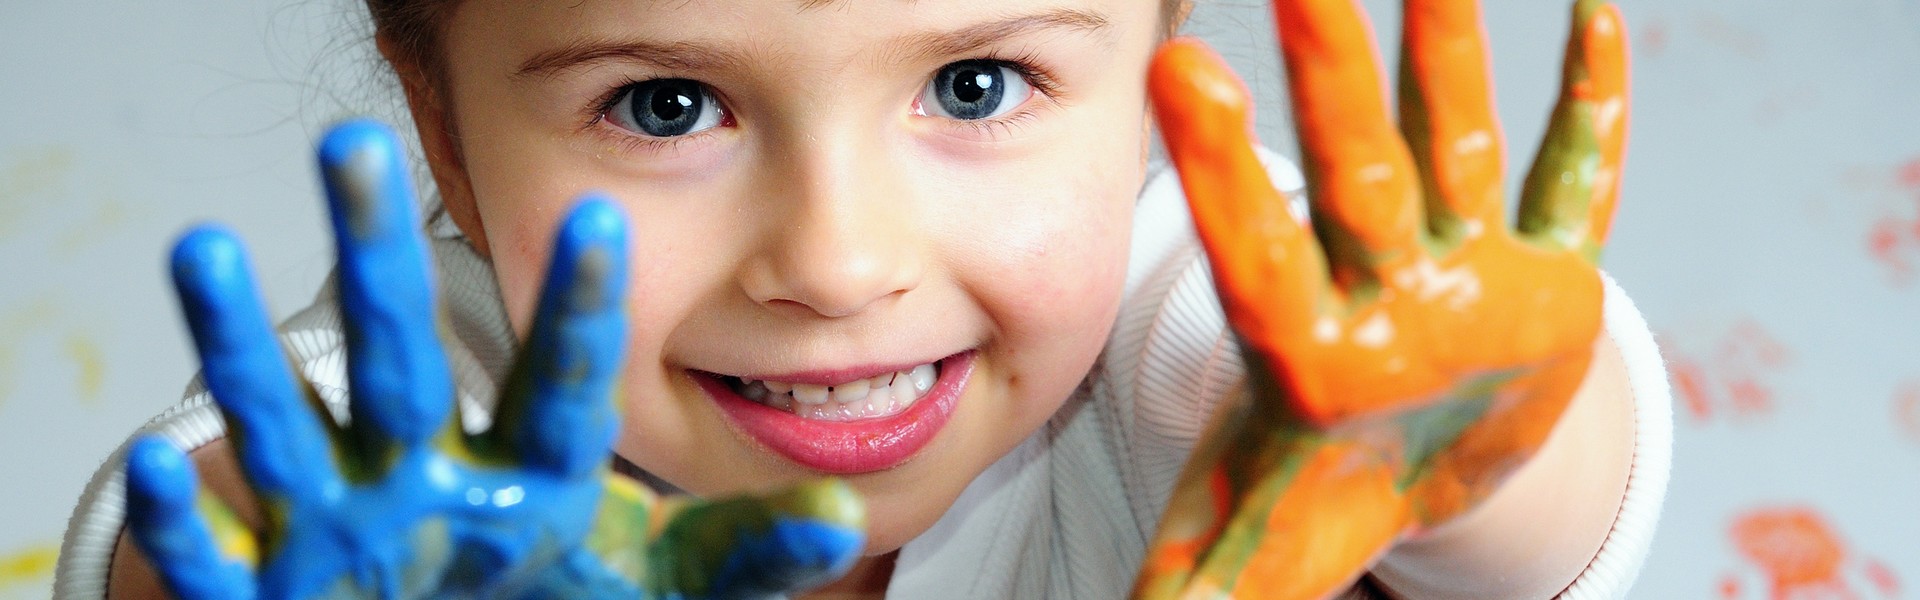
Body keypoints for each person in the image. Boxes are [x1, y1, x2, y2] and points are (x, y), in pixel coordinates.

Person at [55, 0, 1672, 597]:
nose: (834, 263)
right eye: (667, 106)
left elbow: (1524, 510)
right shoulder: (435, 440)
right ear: (445, 137)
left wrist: (1506, 442)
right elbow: (218, 509)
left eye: (975, 84)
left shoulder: (1201, 342)